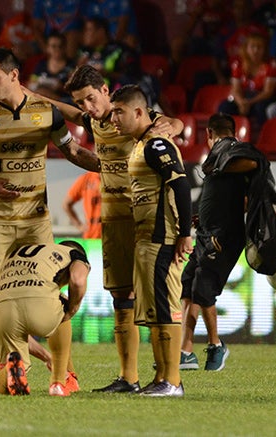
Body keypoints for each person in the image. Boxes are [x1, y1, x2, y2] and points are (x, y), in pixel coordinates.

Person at [31, 64, 182, 393]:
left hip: (144, 216)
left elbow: (169, 124)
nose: (88, 108)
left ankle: (169, 377)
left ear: (105, 92)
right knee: (120, 296)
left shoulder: (129, 116)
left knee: (156, 296)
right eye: (81, 102)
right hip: (112, 217)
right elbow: (68, 111)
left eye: (90, 99)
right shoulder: (95, 121)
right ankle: (129, 378)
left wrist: (175, 123)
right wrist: (31, 96)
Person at [0, 47, 99, 391]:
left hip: (36, 220)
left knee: (54, 292)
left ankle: (62, 373)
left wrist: (108, 166)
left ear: (13, 75)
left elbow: (73, 151)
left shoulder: (46, 112)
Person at [110, 85, 192, 397]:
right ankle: (161, 378)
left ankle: (172, 381)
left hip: (162, 237)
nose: (114, 118)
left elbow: (181, 186)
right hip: (146, 237)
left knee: (165, 308)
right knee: (154, 311)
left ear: (140, 112)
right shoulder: (141, 143)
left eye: (120, 112)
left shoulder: (157, 144)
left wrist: (185, 233)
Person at [180, 113, 265, 372]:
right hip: (208, 232)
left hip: (223, 235)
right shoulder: (221, 156)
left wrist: (221, 166)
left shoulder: (228, 150)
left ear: (208, 134)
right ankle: (185, 351)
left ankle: (216, 346)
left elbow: (255, 162)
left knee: (203, 288)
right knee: (189, 283)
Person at [0, 241, 91, 396]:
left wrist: (46, 357)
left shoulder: (32, 253)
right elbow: (78, 280)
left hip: (0, 306)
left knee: (10, 366)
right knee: (63, 304)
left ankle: (11, 370)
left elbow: (23, 328)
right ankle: (59, 382)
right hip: (38, 302)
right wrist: (73, 308)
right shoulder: (74, 254)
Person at [218, 32, 276, 131]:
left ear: (265, 50)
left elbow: (268, 92)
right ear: (246, 48)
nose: (255, 50)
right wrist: (241, 102)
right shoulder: (238, 64)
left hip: (260, 98)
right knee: (225, 106)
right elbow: (235, 89)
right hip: (244, 97)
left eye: (259, 47)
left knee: (261, 108)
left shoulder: (271, 65)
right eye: (252, 47)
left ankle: (263, 136)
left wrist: (249, 103)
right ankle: (224, 138)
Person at [26, 33, 74, 103]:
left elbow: (74, 91)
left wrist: (61, 87)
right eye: (53, 46)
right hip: (41, 99)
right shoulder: (41, 65)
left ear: (65, 47)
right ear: (48, 48)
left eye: (60, 46)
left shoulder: (72, 66)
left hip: (63, 103)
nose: (57, 49)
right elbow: (31, 83)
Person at [62, 171, 101, 239]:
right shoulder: (87, 178)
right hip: (91, 236)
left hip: (114, 237)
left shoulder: (117, 178)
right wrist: (79, 225)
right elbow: (66, 204)